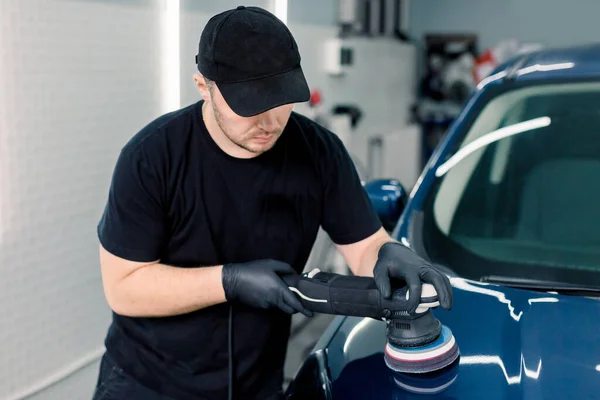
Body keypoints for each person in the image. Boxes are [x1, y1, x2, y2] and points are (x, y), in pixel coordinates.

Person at [92, 5, 453, 400]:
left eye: (280, 100)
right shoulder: (151, 158)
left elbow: (364, 245)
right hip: (147, 384)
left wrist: (389, 253)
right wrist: (229, 282)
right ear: (203, 87)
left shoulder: (319, 152)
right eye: (249, 104)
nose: (268, 121)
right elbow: (124, 287)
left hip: (257, 384)